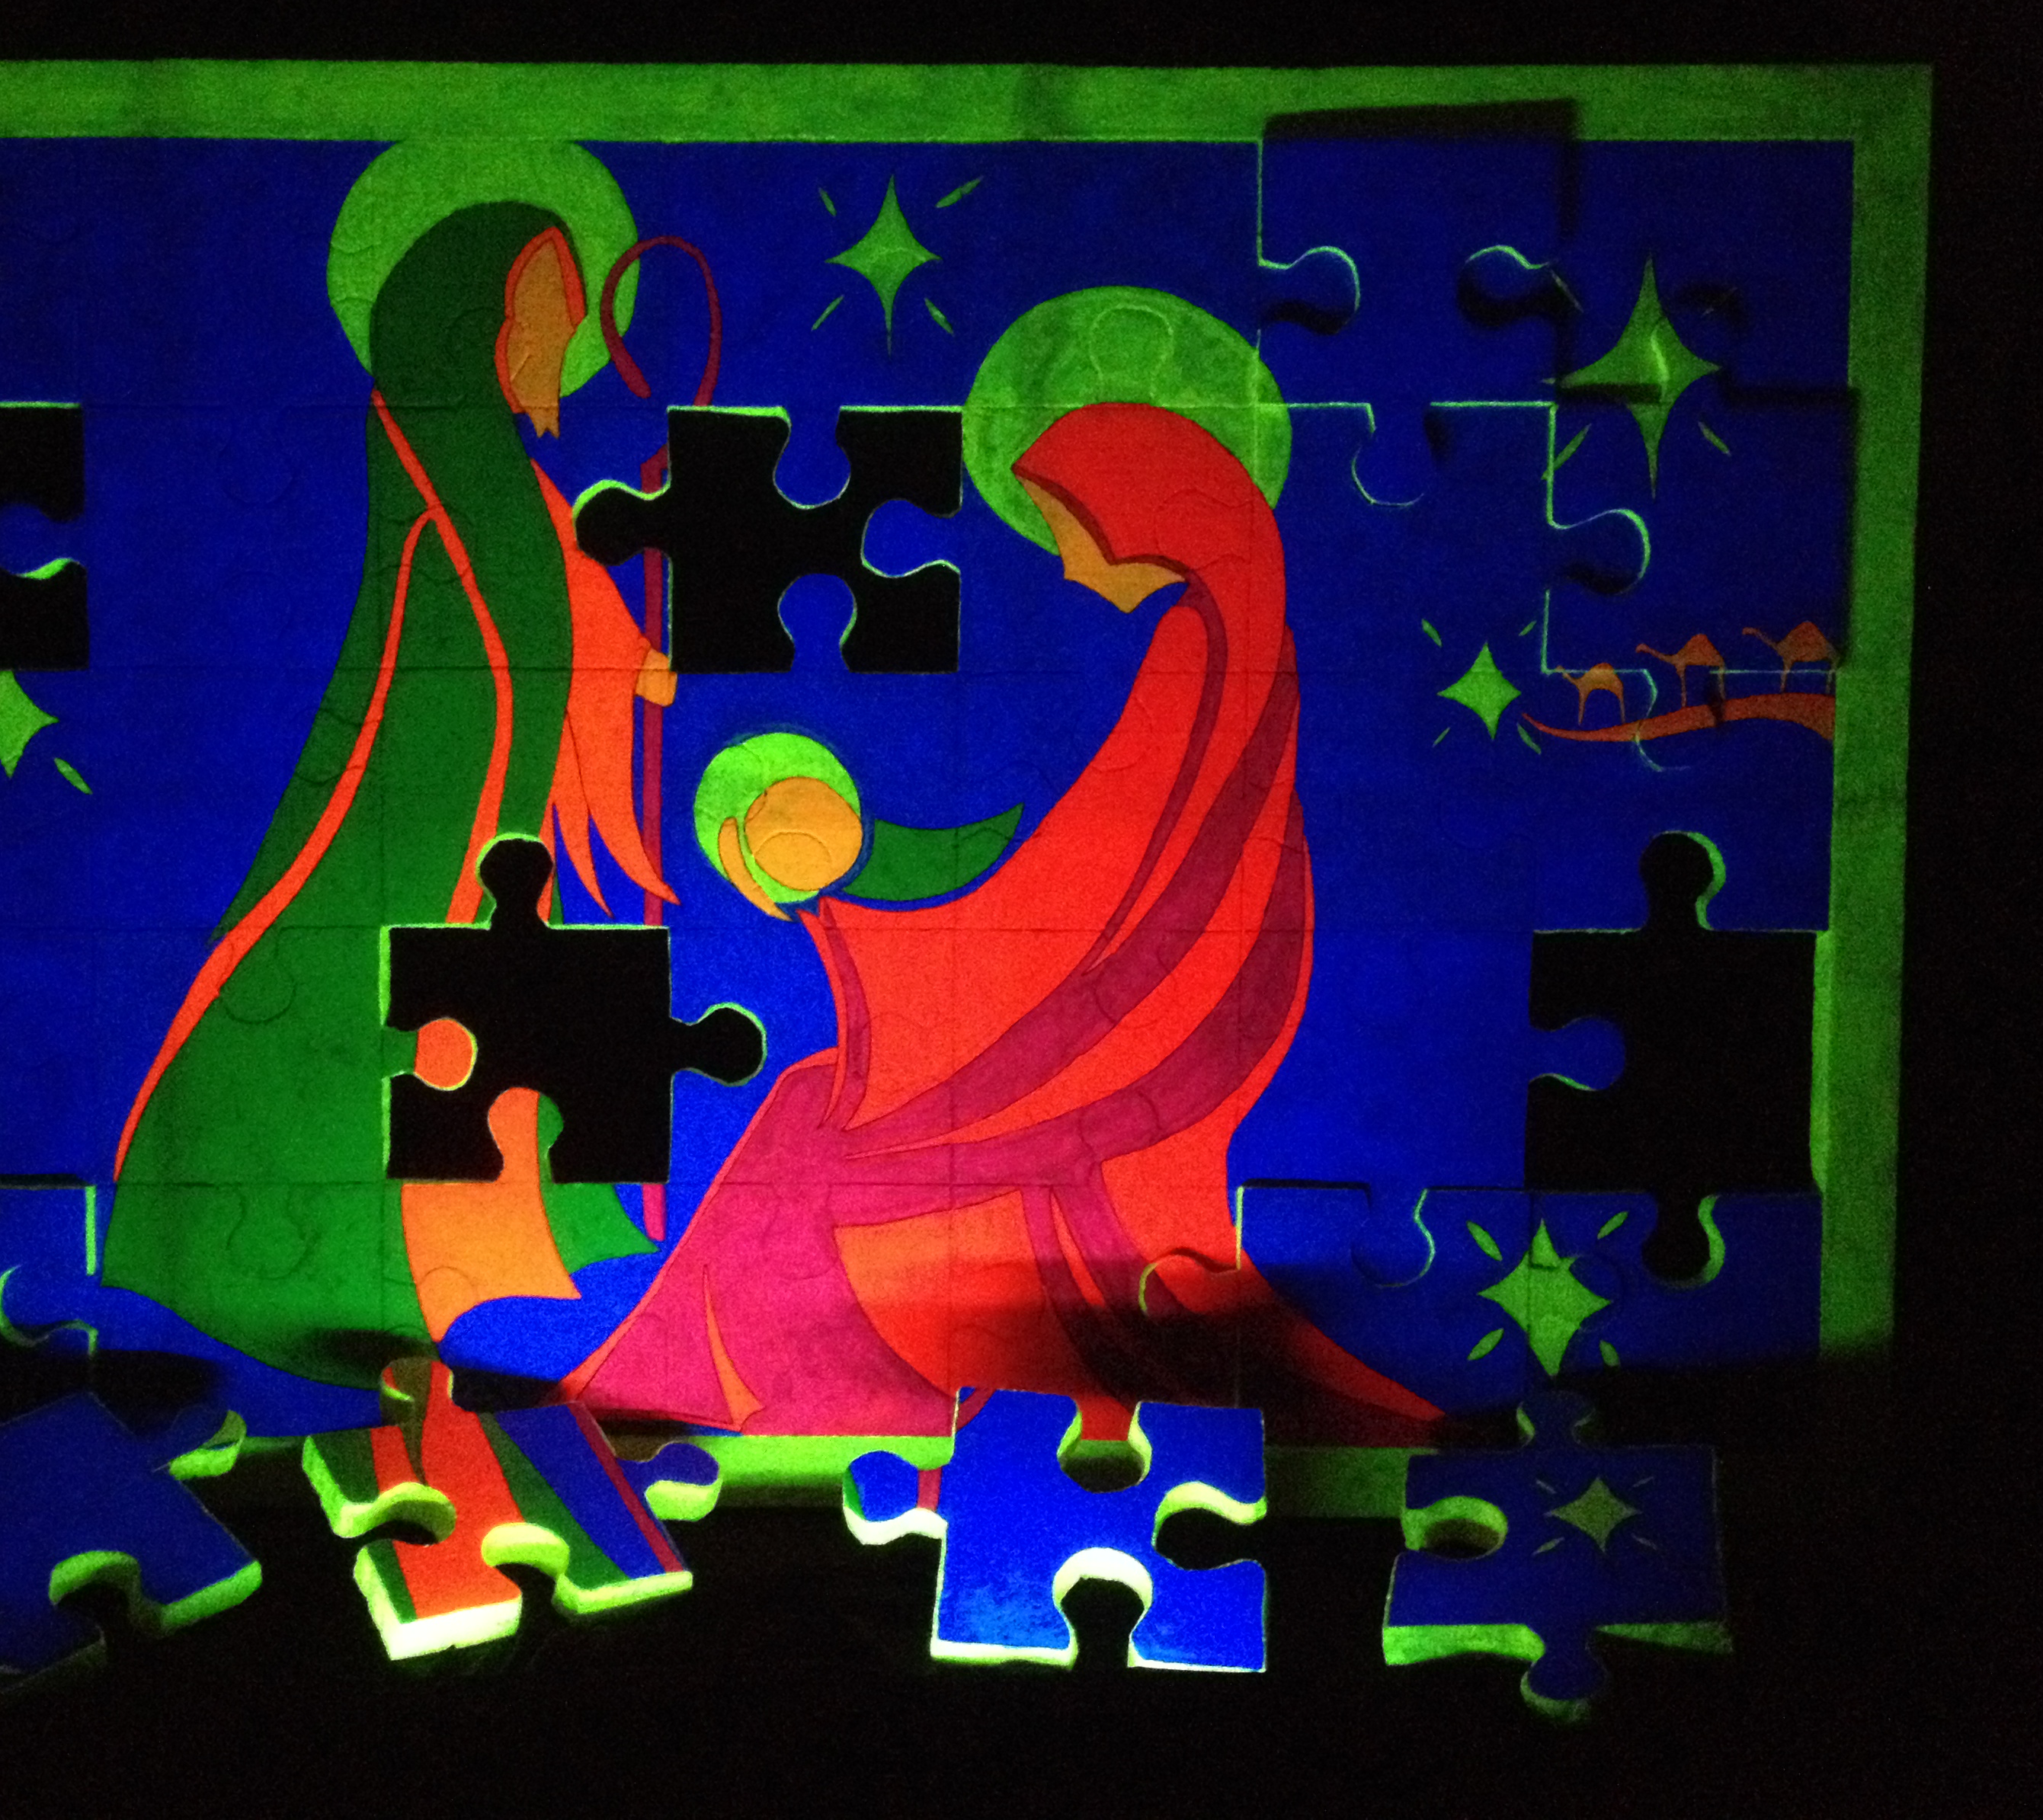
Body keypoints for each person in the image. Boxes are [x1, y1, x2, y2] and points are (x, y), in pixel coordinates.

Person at [571, 401, 1439, 1441]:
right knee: (805, 1104)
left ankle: (725, 1393)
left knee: (811, 1128)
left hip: (1123, 1052)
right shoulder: (1231, 640)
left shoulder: (1195, 648)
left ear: (1142, 526)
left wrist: (852, 919)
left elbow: (1086, 885)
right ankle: (697, 1391)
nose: (1066, 566)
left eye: (1071, 532)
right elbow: (1089, 878)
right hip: (1123, 1019)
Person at [101, 195, 670, 1388]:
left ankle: (499, 1252)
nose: (549, 351)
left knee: (501, 1036)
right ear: (469, 324)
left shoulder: (516, 486)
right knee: (359, 1028)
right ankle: (271, 1265)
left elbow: (570, 605)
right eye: (537, 319)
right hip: (408, 826)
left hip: (495, 834)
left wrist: (631, 669)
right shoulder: (429, 465)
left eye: (563, 326)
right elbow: (449, 646)